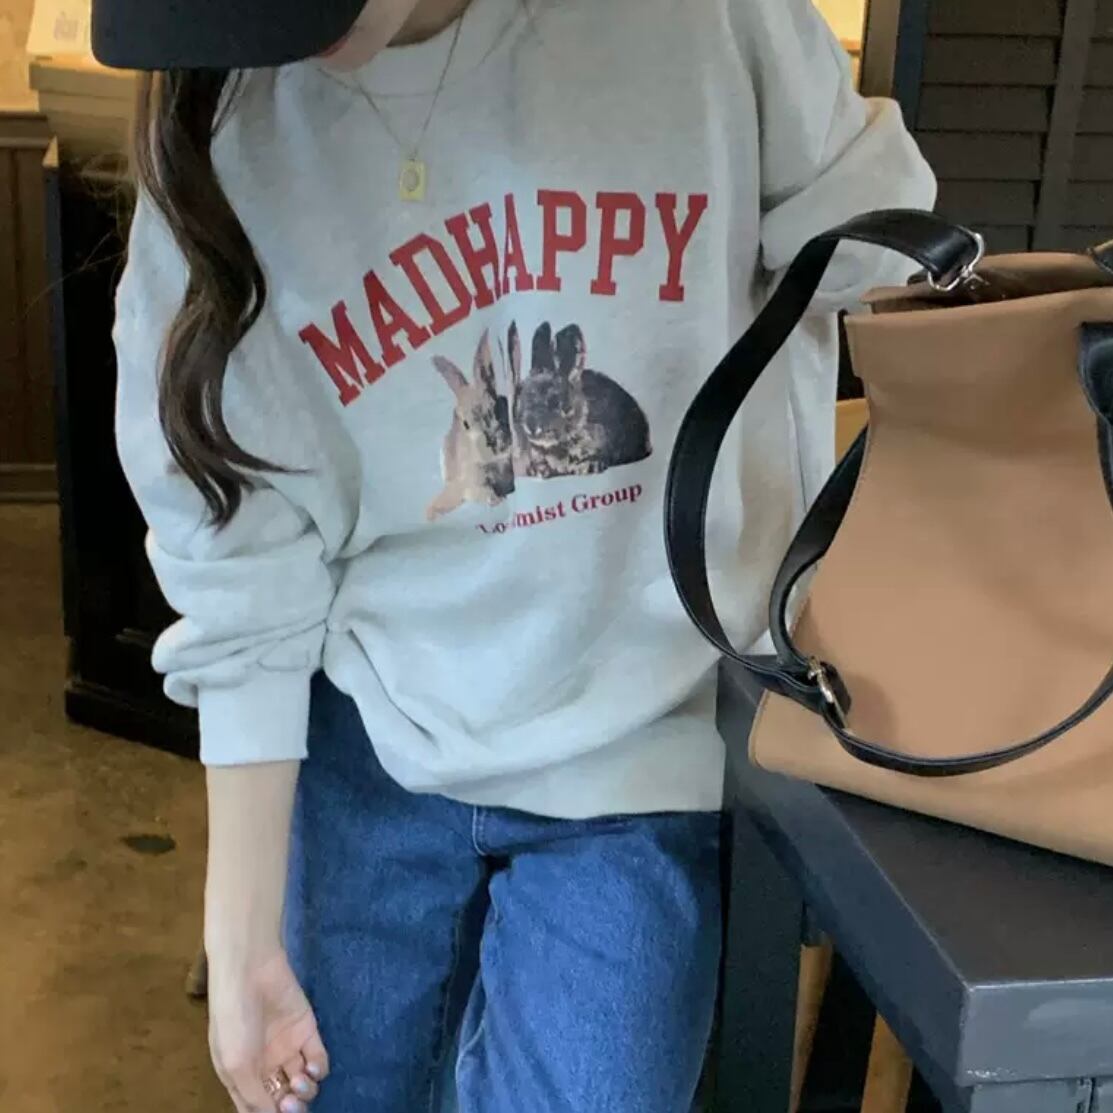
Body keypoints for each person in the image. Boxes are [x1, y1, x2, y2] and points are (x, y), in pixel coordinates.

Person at [98, 0, 936, 1109]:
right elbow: (240, 557)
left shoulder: (703, 24)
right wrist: (242, 934)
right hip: (373, 737)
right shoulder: (224, 110)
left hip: (645, 743)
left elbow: (878, 262)